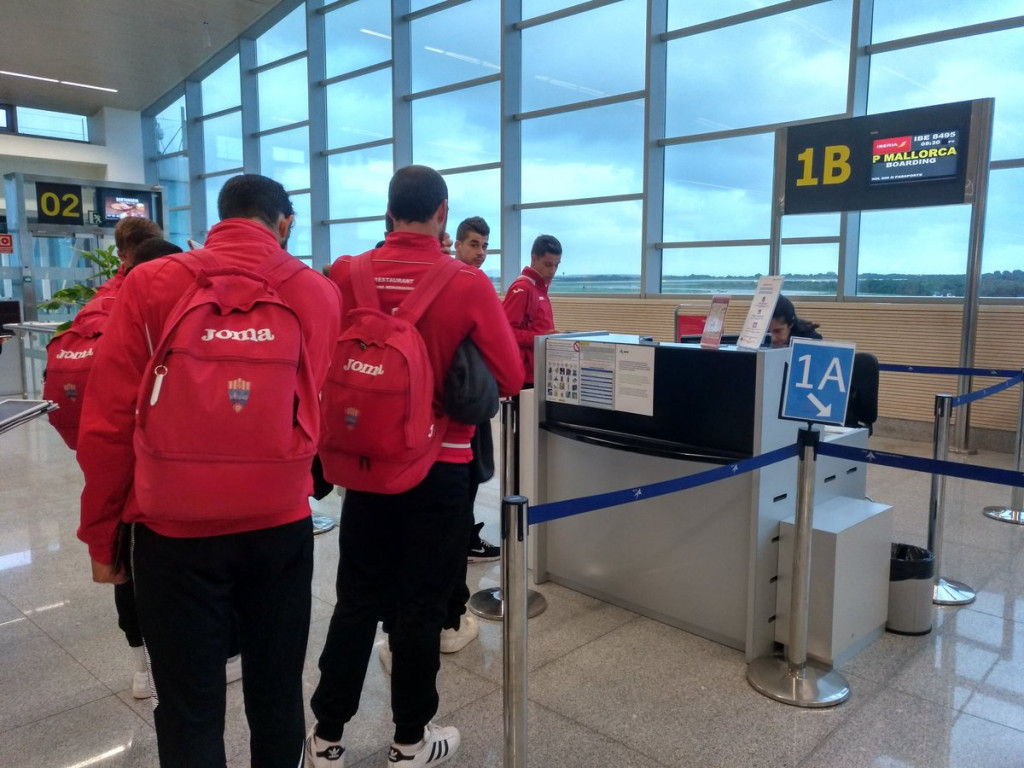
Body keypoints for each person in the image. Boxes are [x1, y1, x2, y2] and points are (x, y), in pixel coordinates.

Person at [77, 174, 342, 767]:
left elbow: (109, 425)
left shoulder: (148, 283)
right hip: (279, 525)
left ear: (218, 220)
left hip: (173, 535)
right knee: (276, 692)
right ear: (284, 224)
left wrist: (103, 536)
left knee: (189, 706)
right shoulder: (317, 294)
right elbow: (311, 404)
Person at [307, 165, 523, 768]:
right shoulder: (466, 281)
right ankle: (409, 741)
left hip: (367, 463)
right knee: (422, 606)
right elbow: (508, 376)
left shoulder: (348, 273)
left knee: (355, 597)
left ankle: (325, 738)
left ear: (388, 211)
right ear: (443, 213)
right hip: (442, 465)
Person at [452, 216, 500, 563]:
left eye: (484, 246)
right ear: (457, 244)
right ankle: (461, 538)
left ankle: (463, 533)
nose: (480, 252)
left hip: (468, 392)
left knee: (470, 471)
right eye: (473, 244)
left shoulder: (476, 280)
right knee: (463, 472)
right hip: (460, 394)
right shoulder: (460, 282)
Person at [502, 234, 561, 388]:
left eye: (557, 265)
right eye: (548, 264)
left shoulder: (540, 288)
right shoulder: (522, 289)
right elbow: (506, 333)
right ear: (534, 258)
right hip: (526, 375)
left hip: (540, 370)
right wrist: (541, 337)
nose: (553, 271)